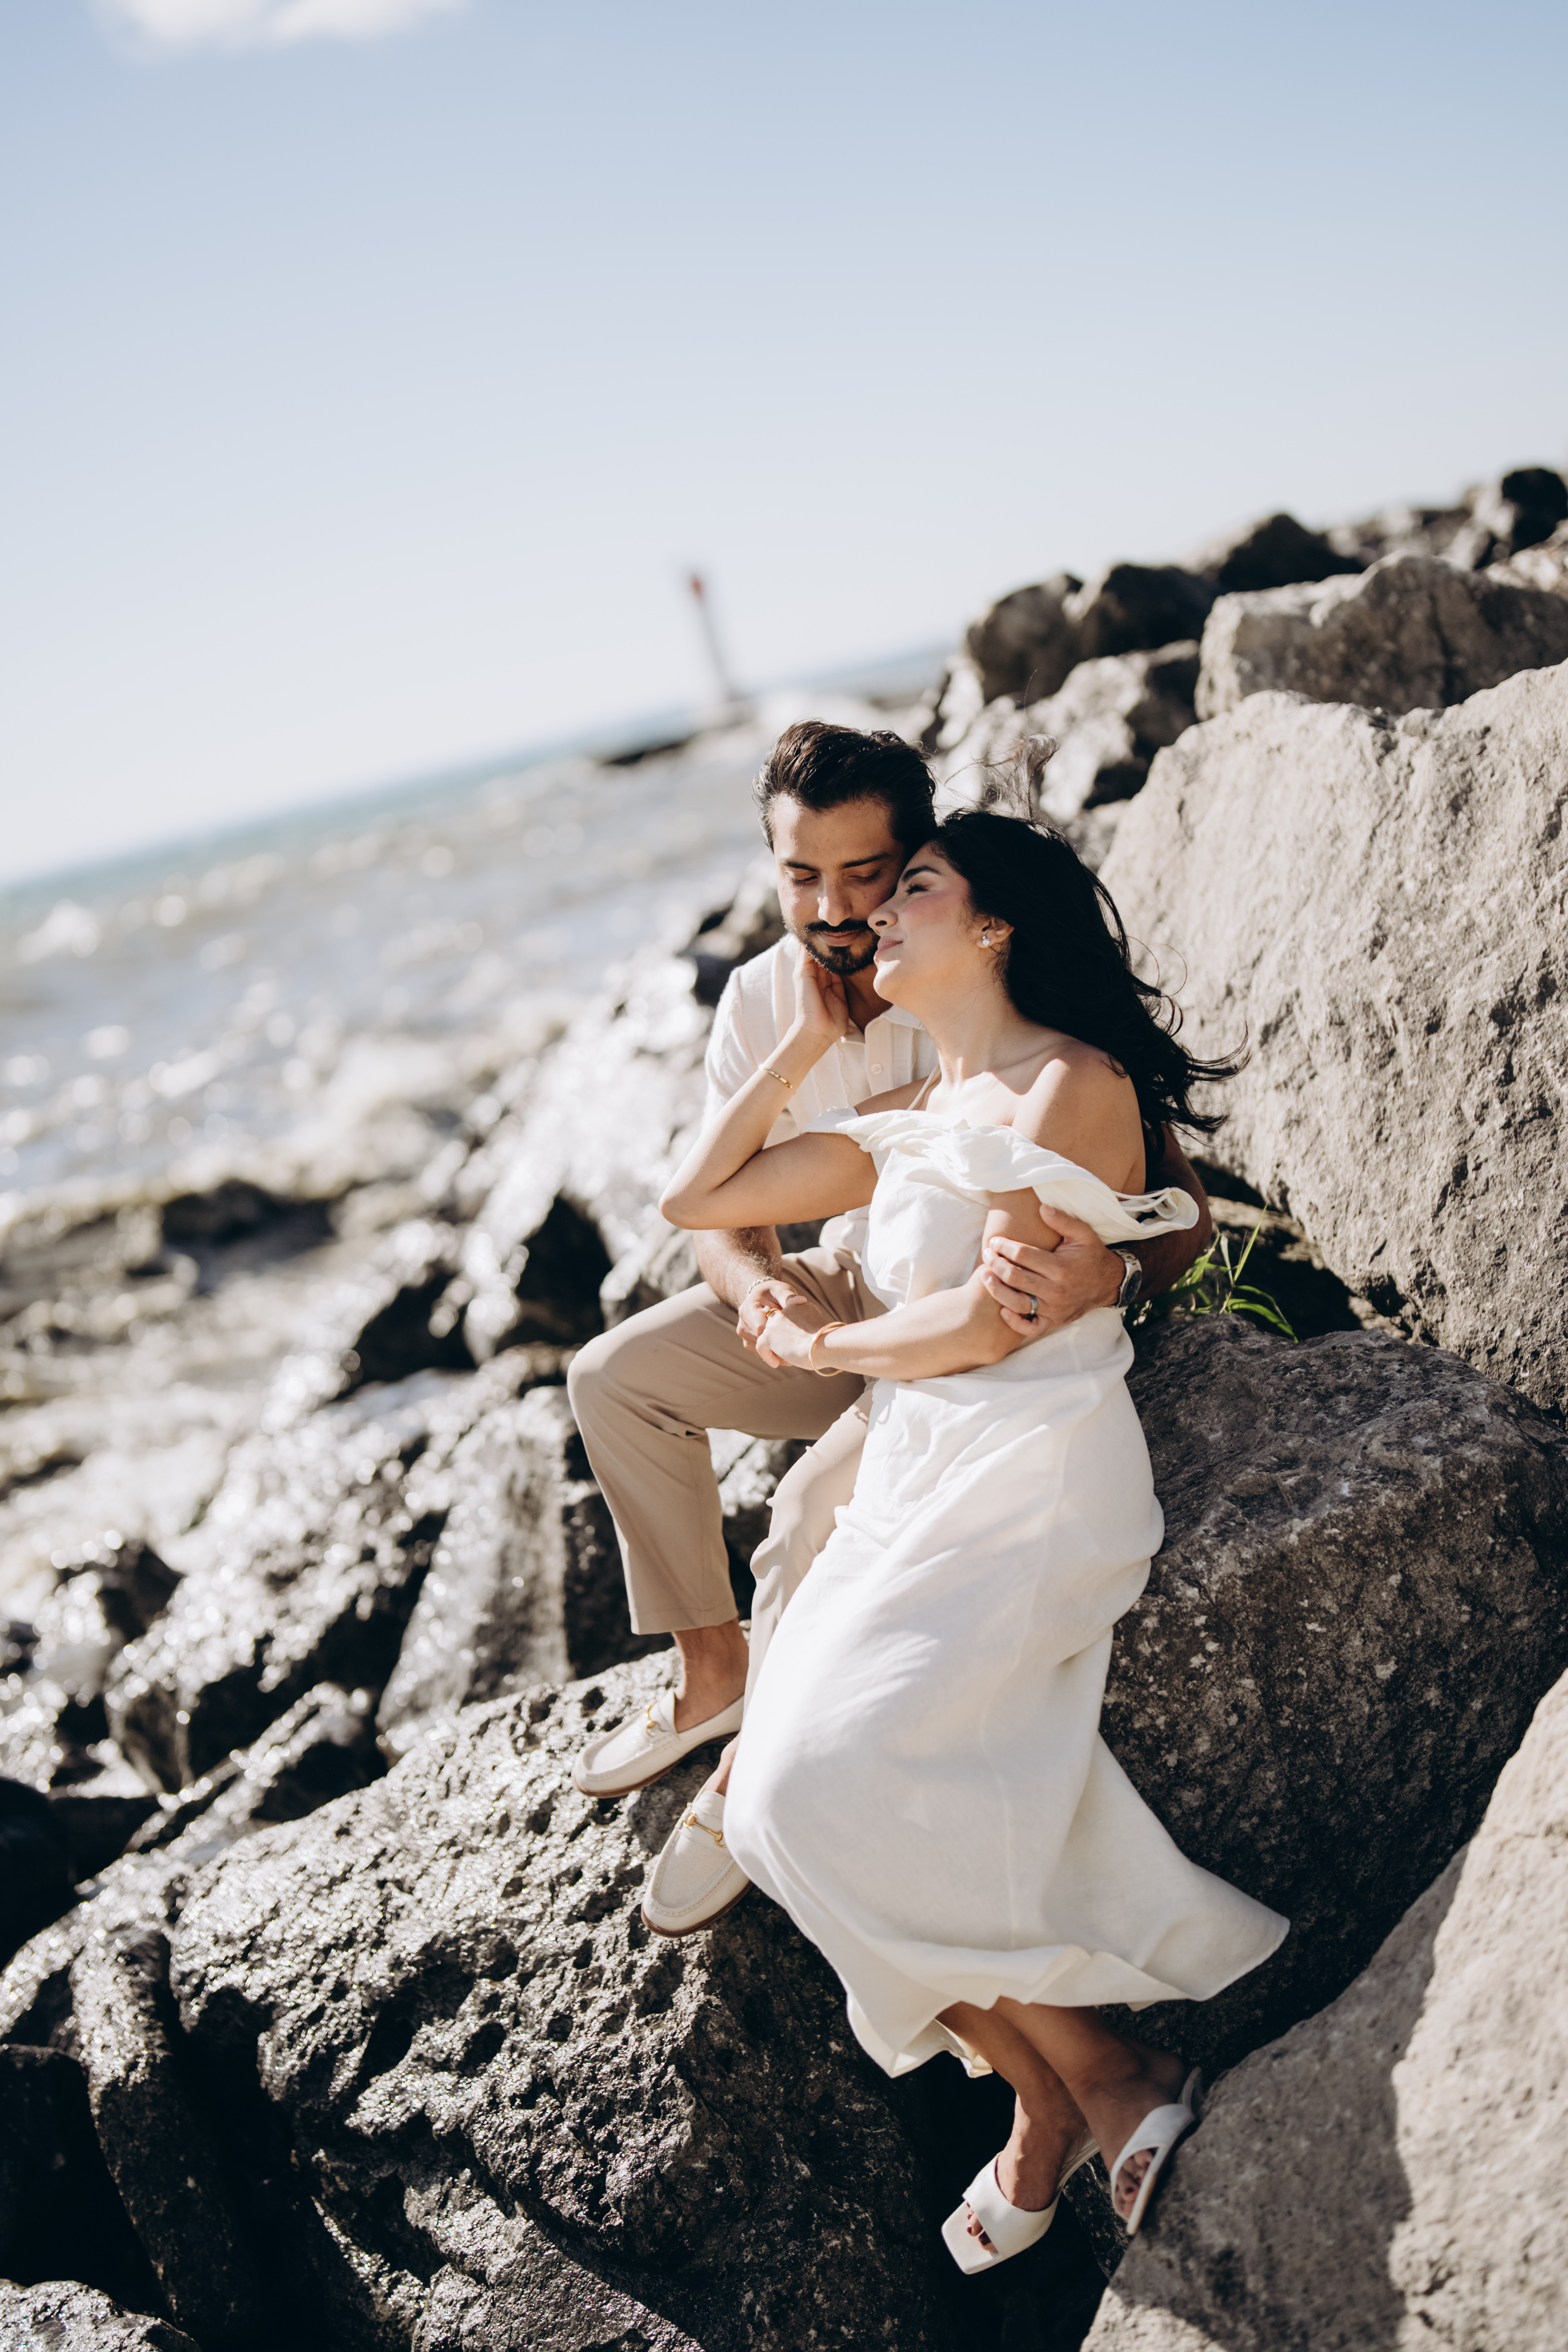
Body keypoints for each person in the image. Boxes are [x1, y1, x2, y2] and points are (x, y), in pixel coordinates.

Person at [656, 805, 1288, 2267]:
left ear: (994, 924)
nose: (877, 912)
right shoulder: (921, 1108)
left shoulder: (1068, 1081)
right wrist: (795, 1044)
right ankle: (1063, 2083)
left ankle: (1099, 2078)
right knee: (769, 1813)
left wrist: (828, 1346)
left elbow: (985, 1323)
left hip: (1024, 1467)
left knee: (815, 1780)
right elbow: (698, 1196)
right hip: (910, 1478)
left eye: (915, 887)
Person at [566, 722, 1213, 1934]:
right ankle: (714, 1674)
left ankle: (750, 1774)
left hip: (969, 1335)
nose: (834, 908)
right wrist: (762, 1292)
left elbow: (1169, 1209)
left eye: (868, 874)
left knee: (809, 1511)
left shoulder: (990, 980)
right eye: (799, 875)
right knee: (613, 1377)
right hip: (851, 1288)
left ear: (921, 860)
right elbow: (711, 1210)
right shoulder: (764, 998)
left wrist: (1106, 1277)